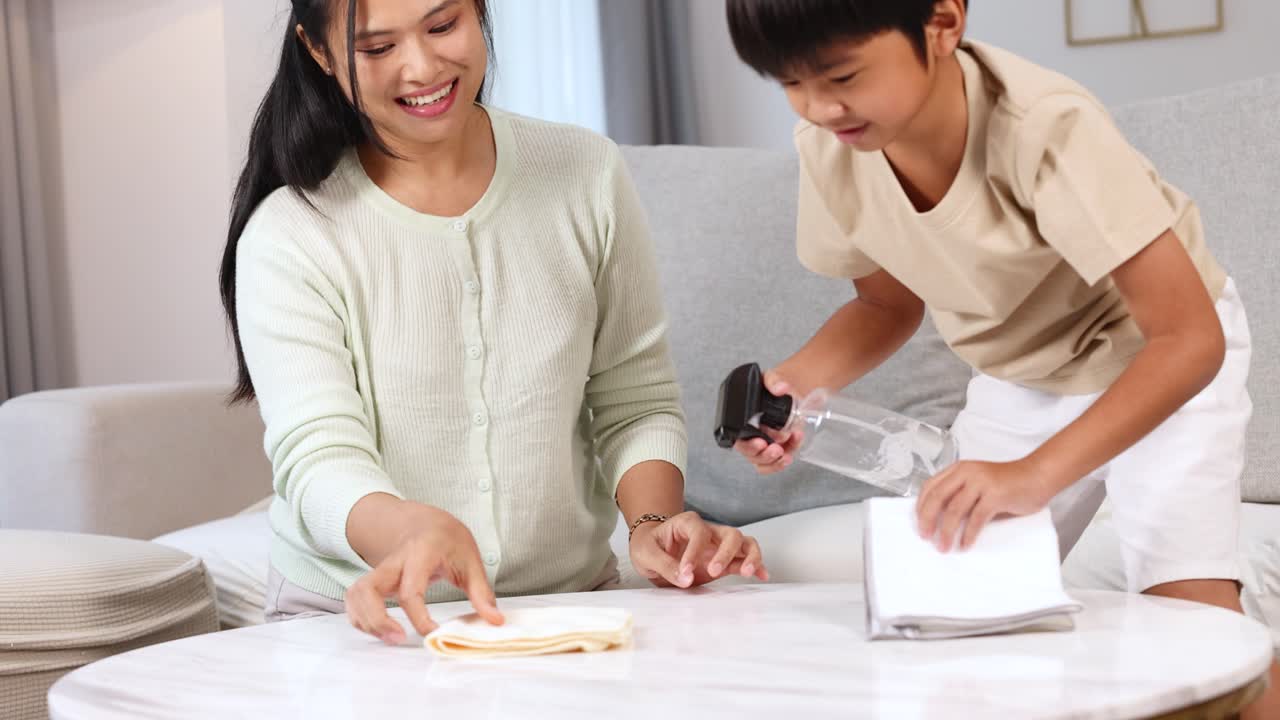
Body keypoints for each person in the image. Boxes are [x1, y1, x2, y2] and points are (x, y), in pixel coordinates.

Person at [724, 1, 1274, 715]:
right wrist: (794, 389)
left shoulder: (1045, 129)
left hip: (1156, 357)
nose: (821, 107)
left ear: (942, 22)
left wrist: (1035, 475)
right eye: (789, 83)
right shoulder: (831, 150)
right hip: (1022, 371)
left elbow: (1189, 338)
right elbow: (885, 308)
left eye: (841, 75)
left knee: (1191, 621)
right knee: (951, 610)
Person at [219, 0, 768, 646]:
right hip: (364, 617)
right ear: (318, 52)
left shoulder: (585, 173)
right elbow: (318, 456)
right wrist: (408, 531)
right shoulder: (293, 233)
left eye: (443, 25)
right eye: (376, 48)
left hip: (565, 603)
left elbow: (634, 397)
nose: (420, 67)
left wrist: (652, 524)